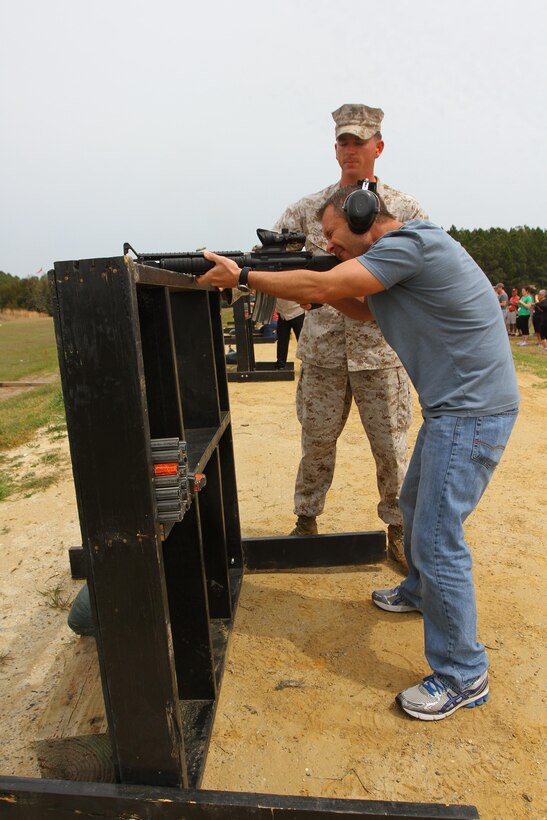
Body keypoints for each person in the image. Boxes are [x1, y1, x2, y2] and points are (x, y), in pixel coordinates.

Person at [198, 184, 519, 721]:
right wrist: (321, 293)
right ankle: (420, 590)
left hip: (469, 413)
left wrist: (246, 275)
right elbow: (366, 312)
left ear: (365, 214)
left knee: (439, 537)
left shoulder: (410, 244)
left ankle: (464, 673)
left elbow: (326, 280)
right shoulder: (404, 259)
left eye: (331, 234)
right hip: (459, 409)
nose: (329, 245)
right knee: (418, 509)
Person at [272, 104, 427, 569]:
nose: (350, 149)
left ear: (378, 146)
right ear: (334, 147)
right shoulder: (306, 211)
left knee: (392, 447)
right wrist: (301, 322)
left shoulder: (405, 210)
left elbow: (419, 275)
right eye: (343, 141)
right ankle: (306, 521)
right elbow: (273, 265)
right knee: (315, 441)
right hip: (321, 354)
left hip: (381, 353)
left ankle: (399, 531)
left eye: (359, 141)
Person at [274, 299, 305, 369]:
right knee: (282, 340)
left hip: (297, 312)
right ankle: (280, 363)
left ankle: (306, 363)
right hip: (282, 314)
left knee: (302, 340)